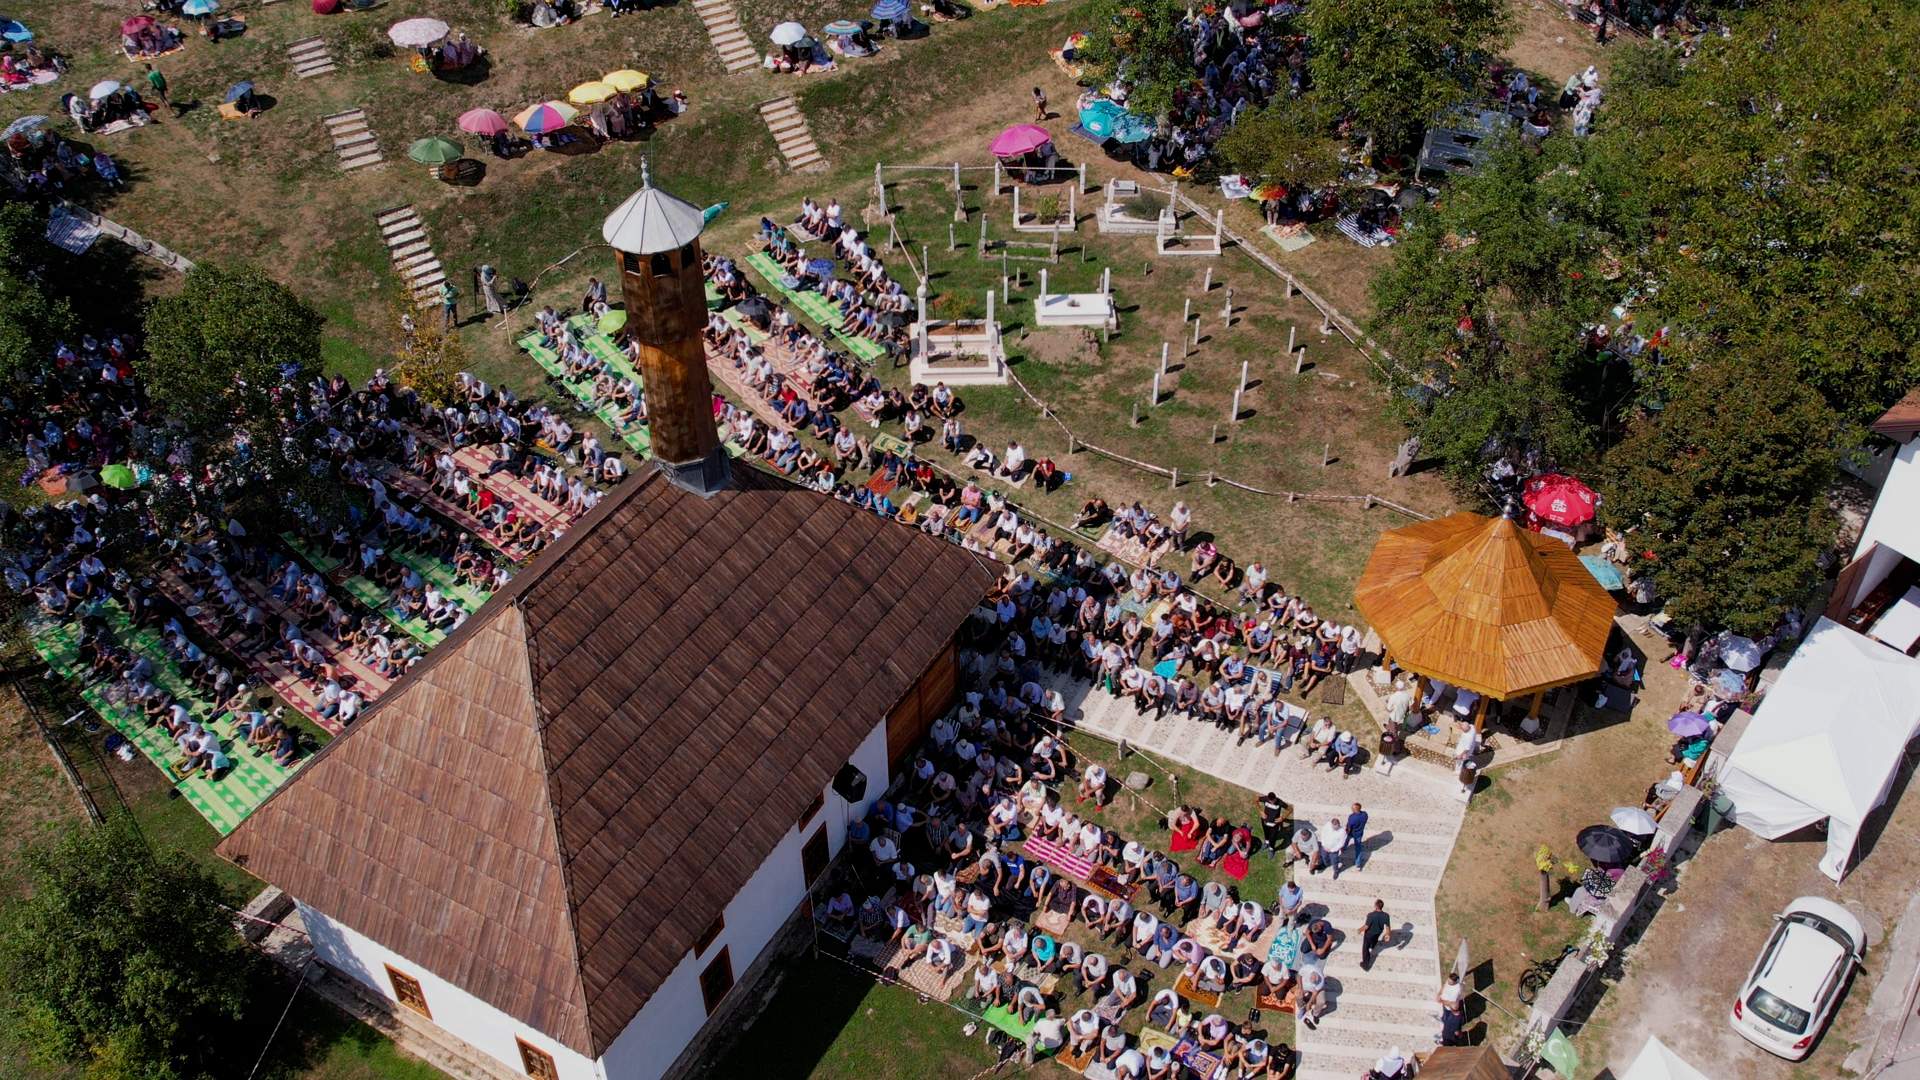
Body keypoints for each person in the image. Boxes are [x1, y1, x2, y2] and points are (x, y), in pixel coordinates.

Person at [1359, 899, 1391, 971]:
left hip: (1369, 934)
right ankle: (1373, 946)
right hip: (1378, 932)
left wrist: (1359, 930)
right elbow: (1388, 927)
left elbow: (1366, 926)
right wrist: (1388, 935)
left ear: (1376, 906)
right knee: (1374, 940)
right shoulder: (1386, 915)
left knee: (1365, 948)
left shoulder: (1371, 915)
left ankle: (1365, 965)